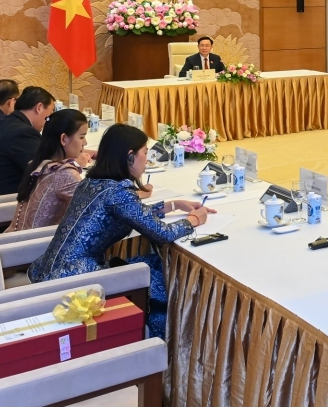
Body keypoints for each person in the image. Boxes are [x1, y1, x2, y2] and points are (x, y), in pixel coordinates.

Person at [28, 124, 211, 338]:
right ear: (130, 156)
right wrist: (192, 221)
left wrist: (171, 205)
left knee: (145, 264)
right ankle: (154, 340)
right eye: (145, 152)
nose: (147, 158)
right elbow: (162, 234)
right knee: (155, 269)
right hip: (74, 280)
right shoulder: (119, 193)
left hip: (47, 270)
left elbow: (131, 213)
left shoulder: (93, 182)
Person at [8, 109, 91, 232]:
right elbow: (93, 206)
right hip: (33, 248)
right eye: (82, 137)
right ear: (63, 139)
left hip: (13, 240)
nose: (85, 143)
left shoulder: (39, 164)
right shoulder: (64, 173)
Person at [0, 86, 55, 199]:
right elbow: (44, 171)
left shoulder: (8, 122)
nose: (47, 121)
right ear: (39, 107)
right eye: (48, 116)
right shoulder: (24, 132)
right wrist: (74, 161)